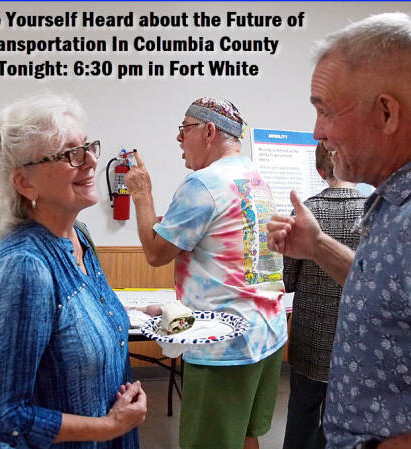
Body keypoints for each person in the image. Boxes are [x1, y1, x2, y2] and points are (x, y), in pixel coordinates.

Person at [267, 12, 411, 449]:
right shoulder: (401, 198)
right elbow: (384, 288)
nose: (317, 132)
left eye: (325, 111)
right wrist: (319, 246)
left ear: (386, 112)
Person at [0, 94, 146, 449]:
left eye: (88, 146)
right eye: (70, 153)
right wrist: (109, 426)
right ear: (25, 183)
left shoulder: (78, 236)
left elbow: (71, 322)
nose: (93, 160)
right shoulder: (24, 266)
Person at [125, 97, 288, 449]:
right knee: (248, 434)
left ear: (209, 131)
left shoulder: (202, 184)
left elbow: (156, 252)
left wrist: (142, 195)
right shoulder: (256, 178)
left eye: (185, 129)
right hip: (268, 333)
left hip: (224, 343)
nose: (179, 139)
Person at [282, 143, 367, 449]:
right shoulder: (374, 210)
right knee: (346, 417)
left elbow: (288, 281)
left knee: (302, 410)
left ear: (319, 170)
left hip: (309, 336)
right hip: (354, 338)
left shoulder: (305, 211)